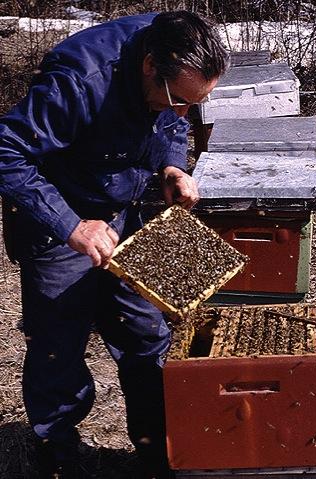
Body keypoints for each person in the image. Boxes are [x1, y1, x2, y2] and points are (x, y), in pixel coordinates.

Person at [0, 10, 228, 478]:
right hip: (56, 219)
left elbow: (170, 123)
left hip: (124, 209)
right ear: (149, 66)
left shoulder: (172, 59)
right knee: (58, 347)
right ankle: (58, 455)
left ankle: (156, 453)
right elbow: (7, 150)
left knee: (147, 335)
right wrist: (70, 225)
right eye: (178, 99)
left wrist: (171, 165)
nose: (184, 111)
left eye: (194, 103)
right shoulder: (81, 81)